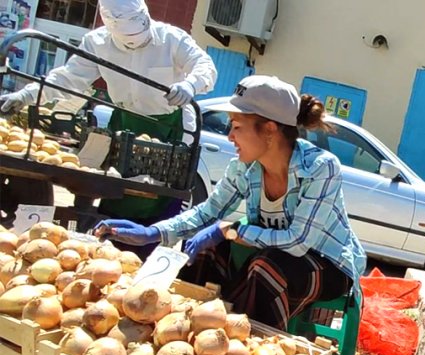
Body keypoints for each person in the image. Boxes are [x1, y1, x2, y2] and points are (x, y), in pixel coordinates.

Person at [94, 75, 366, 330]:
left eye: (236, 126)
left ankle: (255, 350)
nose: (230, 136)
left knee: (266, 269)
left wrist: (231, 230)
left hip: (327, 264)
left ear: (270, 129)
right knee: (202, 251)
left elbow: (298, 242)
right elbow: (207, 213)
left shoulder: (319, 167)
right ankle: (187, 330)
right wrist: (153, 232)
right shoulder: (244, 169)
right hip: (270, 255)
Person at [0, 0, 216, 250]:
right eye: (128, 38)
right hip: (124, 124)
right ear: (111, 28)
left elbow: (205, 66)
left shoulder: (172, 39)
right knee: (114, 188)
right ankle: (107, 244)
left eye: (140, 33)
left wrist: (191, 85)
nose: (137, 40)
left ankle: (146, 249)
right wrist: (26, 95)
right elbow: (68, 78)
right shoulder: (97, 43)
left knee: (157, 196)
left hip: (170, 129)